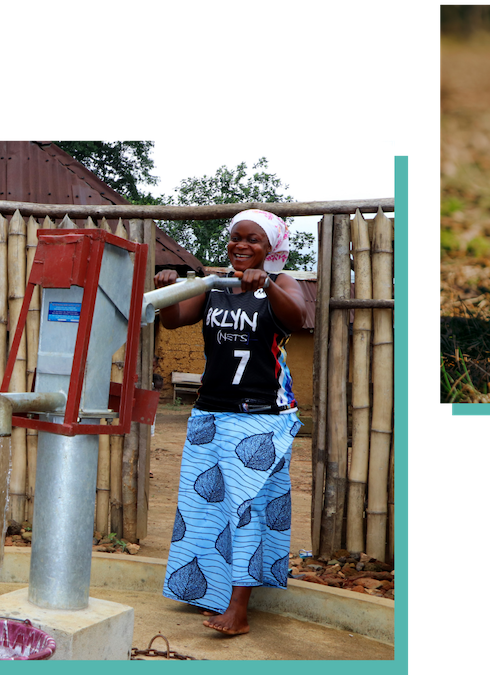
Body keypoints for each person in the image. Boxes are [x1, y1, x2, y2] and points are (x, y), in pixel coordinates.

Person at [156, 209, 308, 636]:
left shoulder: (284, 284)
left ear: (271, 248)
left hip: (261, 417)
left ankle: (239, 609)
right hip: (209, 412)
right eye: (235, 239)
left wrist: (265, 283)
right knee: (203, 509)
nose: (241, 246)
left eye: (253, 240)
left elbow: (297, 318)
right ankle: (205, 592)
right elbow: (173, 321)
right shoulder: (212, 285)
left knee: (246, 511)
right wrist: (165, 290)